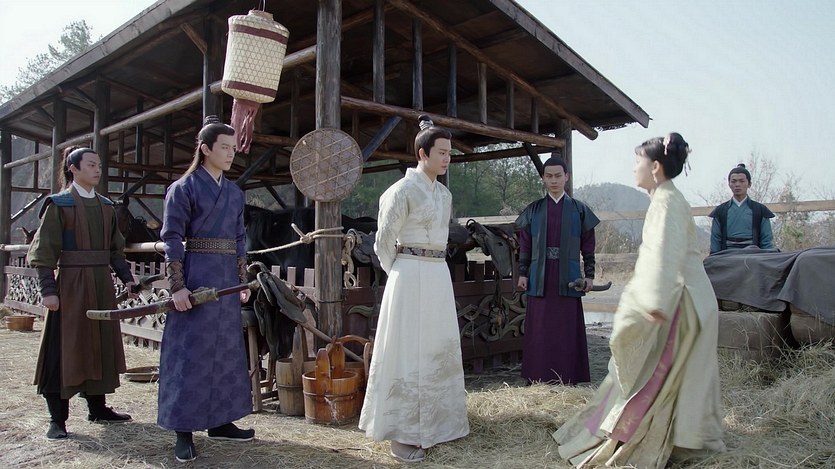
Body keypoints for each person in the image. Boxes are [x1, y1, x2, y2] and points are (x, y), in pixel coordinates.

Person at [553, 133, 725, 468]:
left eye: (638, 161)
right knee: (663, 377)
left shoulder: (666, 202)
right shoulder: (667, 198)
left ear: (655, 167)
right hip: (682, 297)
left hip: (678, 301)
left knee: (654, 376)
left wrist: (652, 302)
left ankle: (636, 440)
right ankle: (671, 441)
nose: (634, 168)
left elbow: (665, 255)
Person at [359, 115, 470, 463]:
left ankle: (438, 426)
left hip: (437, 274)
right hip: (407, 273)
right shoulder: (400, 191)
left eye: (449, 153)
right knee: (406, 350)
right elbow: (383, 243)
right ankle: (402, 433)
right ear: (422, 153)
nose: (447, 158)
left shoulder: (445, 195)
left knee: (437, 348)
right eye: (441, 152)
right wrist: (400, 275)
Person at [158, 116, 254, 463]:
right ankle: (183, 431)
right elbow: (172, 238)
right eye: (224, 147)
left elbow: (240, 239)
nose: (230, 154)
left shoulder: (234, 193)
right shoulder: (183, 188)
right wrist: (177, 286)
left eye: (233, 148)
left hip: (226, 281)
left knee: (226, 351)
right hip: (196, 275)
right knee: (190, 353)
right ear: (205, 149)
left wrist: (242, 280)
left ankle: (221, 421)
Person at [27, 146, 136, 440]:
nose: (97, 170)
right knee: (63, 348)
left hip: (101, 285)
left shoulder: (106, 207)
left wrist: (127, 279)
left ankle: (98, 409)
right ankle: (57, 420)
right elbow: (43, 252)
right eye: (90, 165)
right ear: (73, 169)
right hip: (70, 286)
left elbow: (115, 250)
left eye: (99, 165)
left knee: (99, 344)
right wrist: (48, 291)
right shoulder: (58, 205)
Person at [515, 156, 599, 385]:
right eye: (549, 176)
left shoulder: (580, 210)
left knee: (565, 328)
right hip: (539, 276)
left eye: (558, 176)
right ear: (543, 178)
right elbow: (525, 246)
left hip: (568, 277)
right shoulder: (533, 210)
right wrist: (523, 273)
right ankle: (537, 377)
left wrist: (589, 276)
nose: (553, 180)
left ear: (566, 177)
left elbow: (588, 247)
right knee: (540, 328)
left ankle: (568, 377)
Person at [709, 164, 775, 253]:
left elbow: (766, 240)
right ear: (729, 184)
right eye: (733, 181)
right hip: (727, 256)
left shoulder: (760, 210)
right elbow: (715, 241)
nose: (737, 184)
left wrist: (767, 256)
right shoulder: (720, 211)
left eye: (741, 181)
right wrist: (714, 257)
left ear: (749, 184)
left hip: (754, 256)